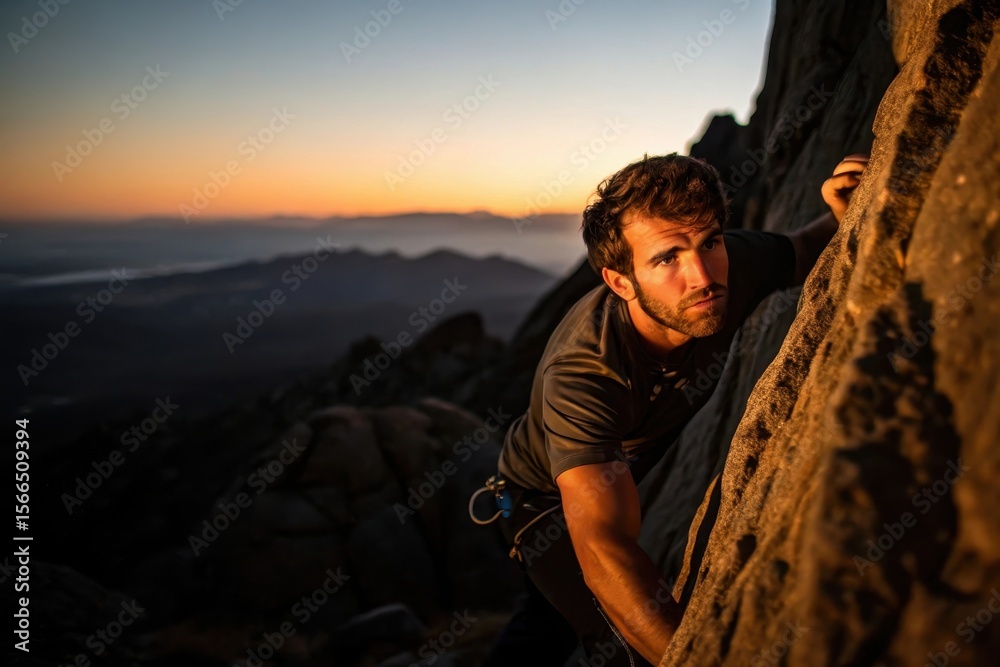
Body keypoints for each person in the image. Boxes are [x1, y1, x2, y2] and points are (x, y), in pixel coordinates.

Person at [474, 152, 868, 666]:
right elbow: (603, 547)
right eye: (666, 259)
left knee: (546, 624)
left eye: (709, 242)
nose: (702, 275)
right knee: (613, 644)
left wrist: (843, 209)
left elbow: (801, 248)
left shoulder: (732, 266)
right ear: (621, 281)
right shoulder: (586, 373)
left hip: (617, 470)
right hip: (541, 499)